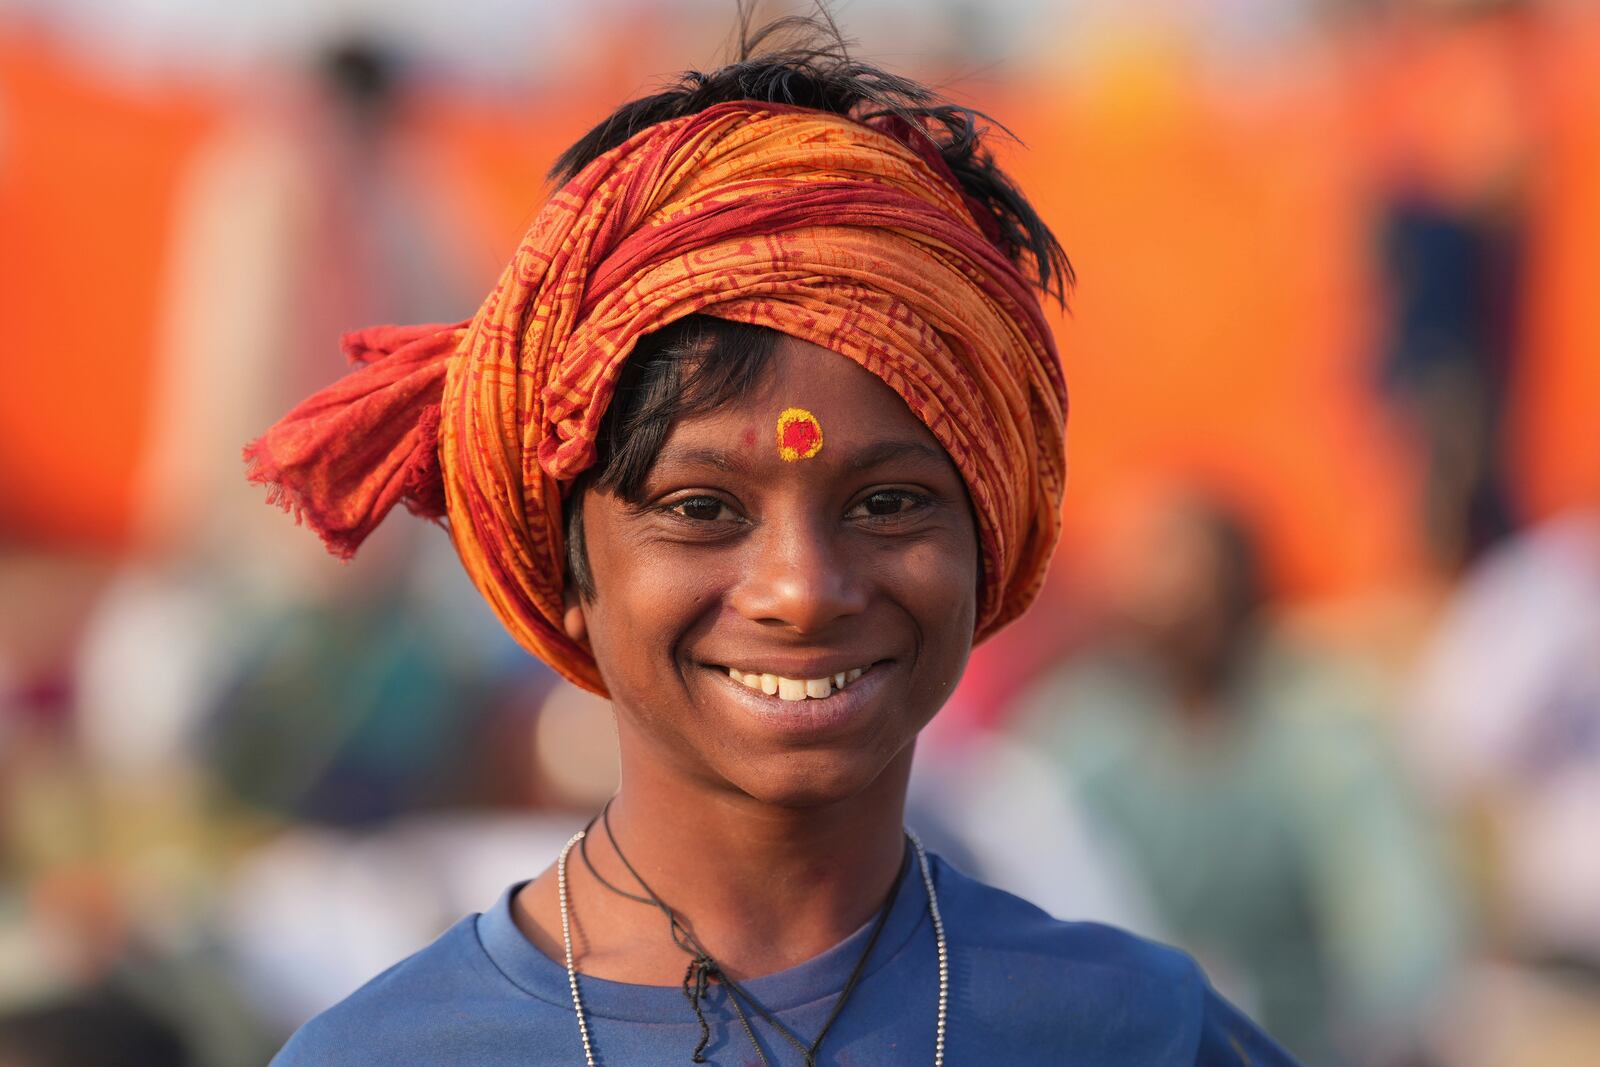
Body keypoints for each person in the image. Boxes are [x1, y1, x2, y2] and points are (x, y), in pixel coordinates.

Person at [244, 14, 1296, 1066]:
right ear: (562, 561)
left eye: (887, 503)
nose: (802, 587)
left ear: (991, 535)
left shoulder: (1130, 1030)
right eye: (701, 508)